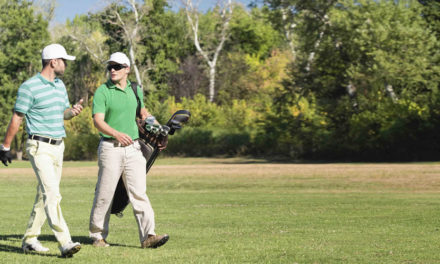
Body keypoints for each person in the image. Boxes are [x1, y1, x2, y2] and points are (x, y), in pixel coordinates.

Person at [0, 44, 83, 257]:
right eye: (63, 60)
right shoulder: (29, 87)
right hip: (39, 147)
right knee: (52, 194)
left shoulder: (60, 86)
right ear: (53, 62)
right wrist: (6, 146)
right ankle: (65, 241)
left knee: (43, 195)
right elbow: (17, 117)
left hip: (58, 146)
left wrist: (71, 112)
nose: (66, 64)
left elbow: (62, 113)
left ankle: (29, 239)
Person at [89, 52, 169, 249]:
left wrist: (159, 129)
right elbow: (98, 120)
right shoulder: (103, 91)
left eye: (117, 66)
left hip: (134, 148)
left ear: (127, 69)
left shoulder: (135, 89)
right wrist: (116, 133)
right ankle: (97, 236)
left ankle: (148, 236)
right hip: (110, 147)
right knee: (105, 193)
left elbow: (143, 113)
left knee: (139, 193)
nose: (112, 70)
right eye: (110, 67)